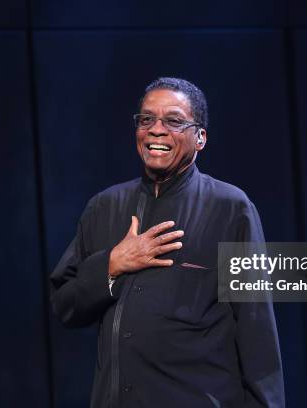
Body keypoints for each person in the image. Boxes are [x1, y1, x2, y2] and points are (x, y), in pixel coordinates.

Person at [50, 77, 284, 407]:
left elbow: (256, 331)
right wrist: (112, 265)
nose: (157, 130)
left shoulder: (230, 208)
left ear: (200, 137)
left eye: (173, 121)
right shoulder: (104, 207)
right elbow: (65, 305)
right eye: (147, 119)